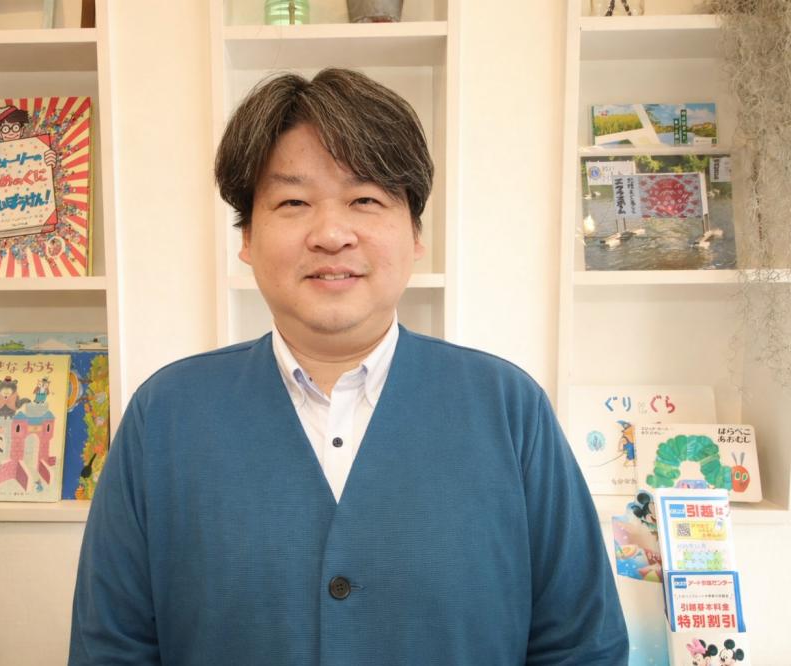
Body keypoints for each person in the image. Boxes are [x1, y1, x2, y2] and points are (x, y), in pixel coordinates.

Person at [69, 68, 627, 665]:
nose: (332, 234)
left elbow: (581, 645)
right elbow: (111, 649)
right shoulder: (165, 415)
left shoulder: (509, 408)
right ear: (247, 237)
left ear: (415, 233)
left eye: (365, 199)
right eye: (293, 202)